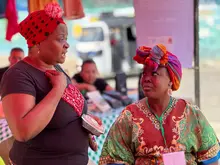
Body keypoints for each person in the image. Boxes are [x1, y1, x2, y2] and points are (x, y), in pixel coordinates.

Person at [0, 3, 101, 165]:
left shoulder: (56, 68)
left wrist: (83, 126)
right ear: (39, 42)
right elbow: (23, 131)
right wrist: (57, 89)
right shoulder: (18, 75)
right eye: (61, 39)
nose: (67, 45)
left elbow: (61, 113)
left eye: (66, 39)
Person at [99, 44, 220, 165]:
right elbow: (114, 160)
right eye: (144, 73)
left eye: (154, 74)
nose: (146, 78)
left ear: (171, 81)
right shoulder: (129, 116)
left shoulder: (191, 113)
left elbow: (210, 157)